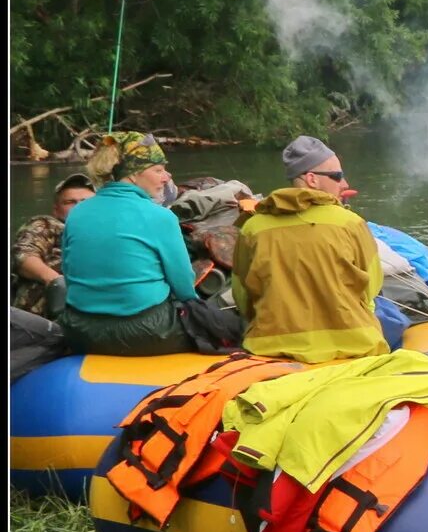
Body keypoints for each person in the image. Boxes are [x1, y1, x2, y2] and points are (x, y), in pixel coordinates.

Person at [231, 136, 386, 363]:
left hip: (270, 349)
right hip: (352, 346)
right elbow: (371, 288)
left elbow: (242, 296)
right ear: (312, 179)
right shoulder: (350, 223)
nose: (344, 184)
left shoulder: (252, 227)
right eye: (337, 176)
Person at [56, 134, 200, 355]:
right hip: (146, 332)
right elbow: (183, 286)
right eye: (159, 170)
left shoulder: (76, 214)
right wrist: (201, 318)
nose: (166, 177)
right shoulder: (160, 216)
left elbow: (68, 273)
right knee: (225, 325)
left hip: (80, 332)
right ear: (133, 175)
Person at [12, 173, 93, 316]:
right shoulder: (46, 225)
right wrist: (54, 280)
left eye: (85, 201)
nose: (79, 206)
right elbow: (23, 254)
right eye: (70, 202)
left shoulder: (110, 234)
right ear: (56, 210)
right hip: (44, 317)